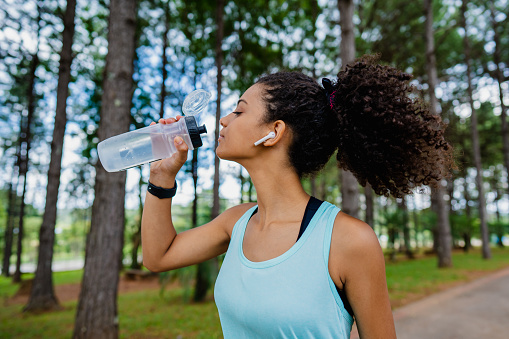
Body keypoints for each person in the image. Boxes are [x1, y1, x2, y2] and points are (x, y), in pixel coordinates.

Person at [141, 55, 454, 338]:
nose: (224, 120)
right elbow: (159, 256)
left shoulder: (348, 240)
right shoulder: (236, 222)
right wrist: (161, 176)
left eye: (239, 110)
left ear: (274, 132)